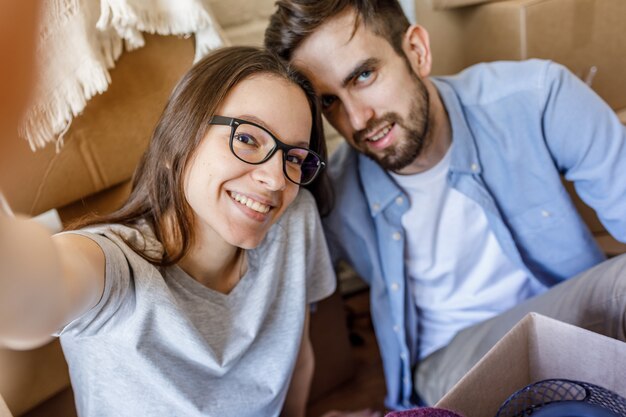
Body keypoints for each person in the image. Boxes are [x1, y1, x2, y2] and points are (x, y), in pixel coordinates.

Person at [264, 0, 626, 410]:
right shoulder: (331, 194)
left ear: (417, 51)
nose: (358, 119)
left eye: (364, 75)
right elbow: (273, 311)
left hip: (571, 315)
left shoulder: (537, 98)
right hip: (451, 363)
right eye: (329, 102)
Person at [0, 46, 336, 417]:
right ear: (178, 141)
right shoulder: (116, 267)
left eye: (293, 158)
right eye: (247, 138)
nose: (275, 180)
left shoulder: (294, 218)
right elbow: (25, 299)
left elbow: (297, 357)